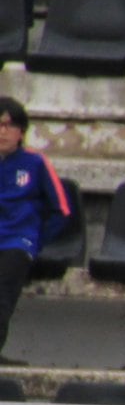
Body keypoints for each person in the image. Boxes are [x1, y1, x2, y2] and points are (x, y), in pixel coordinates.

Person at [0, 96, 69, 365]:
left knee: (1, 294)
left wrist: (34, 241)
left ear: (21, 132)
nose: (2, 132)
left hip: (17, 241)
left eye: (8, 125)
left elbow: (61, 210)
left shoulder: (36, 163)